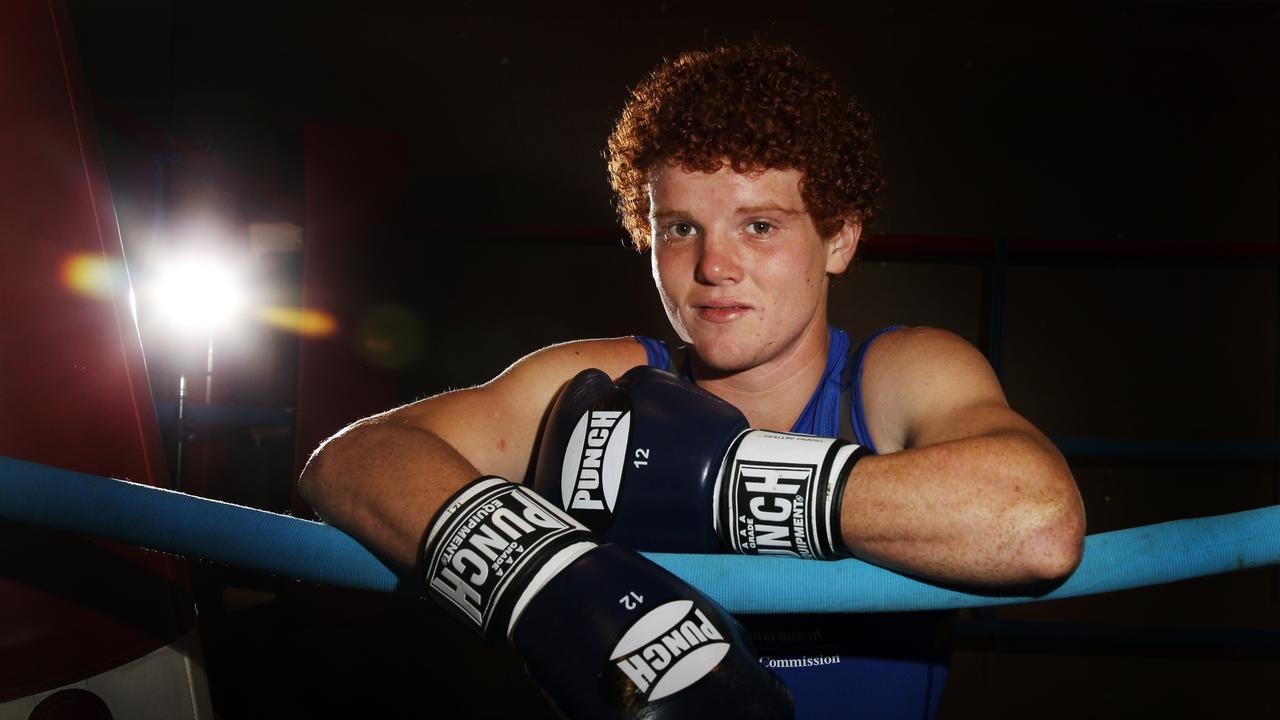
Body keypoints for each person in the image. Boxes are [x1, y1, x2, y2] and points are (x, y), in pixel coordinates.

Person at [300, 42, 1085, 718]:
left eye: (760, 225)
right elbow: (351, 461)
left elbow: (1038, 523)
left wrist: (723, 485)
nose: (713, 267)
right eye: (680, 229)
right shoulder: (606, 383)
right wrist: (544, 579)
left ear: (839, 238)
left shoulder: (891, 377)